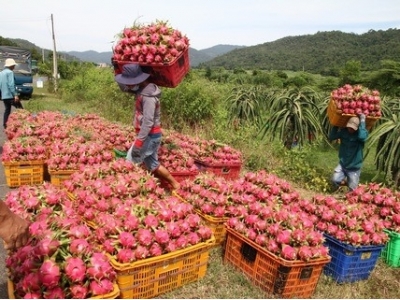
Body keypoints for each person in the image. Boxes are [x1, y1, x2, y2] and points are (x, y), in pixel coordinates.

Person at [115, 63, 180, 190]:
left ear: (138, 80)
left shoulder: (148, 97)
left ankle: (132, 190)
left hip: (149, 136)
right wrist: (116, 70)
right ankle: (176, 185)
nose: (128, 85)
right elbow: (125, 89)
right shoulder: (143, 90)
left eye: (129, 82)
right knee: (153, 165)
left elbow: (148, 122)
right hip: (151, 136)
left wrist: (139, 143)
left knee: (129, 163)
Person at [329, 114, 368, 191]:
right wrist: (336, 125)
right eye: (349, 127)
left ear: (357, 128)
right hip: (343, 165)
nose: (350, 129)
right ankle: (345, 183)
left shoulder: (360, 135)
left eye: (353, 128)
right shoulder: (344, 132)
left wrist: (362, 121)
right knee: (335, 180)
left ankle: (350, 182)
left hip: (354, 168)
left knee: (353, 190)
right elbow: (332, 137)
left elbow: (362, 137)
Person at [0, 58, 24, 129]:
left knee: (7, 110)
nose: (14, 66)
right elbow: (11, 84)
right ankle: (23, 123)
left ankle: (5, 125)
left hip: (4, 96)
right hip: (10, 95)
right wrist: (15, 95)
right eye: (13, 65)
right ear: (10, 65)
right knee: (21, 109)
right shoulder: (10, 72)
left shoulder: (1, 73)